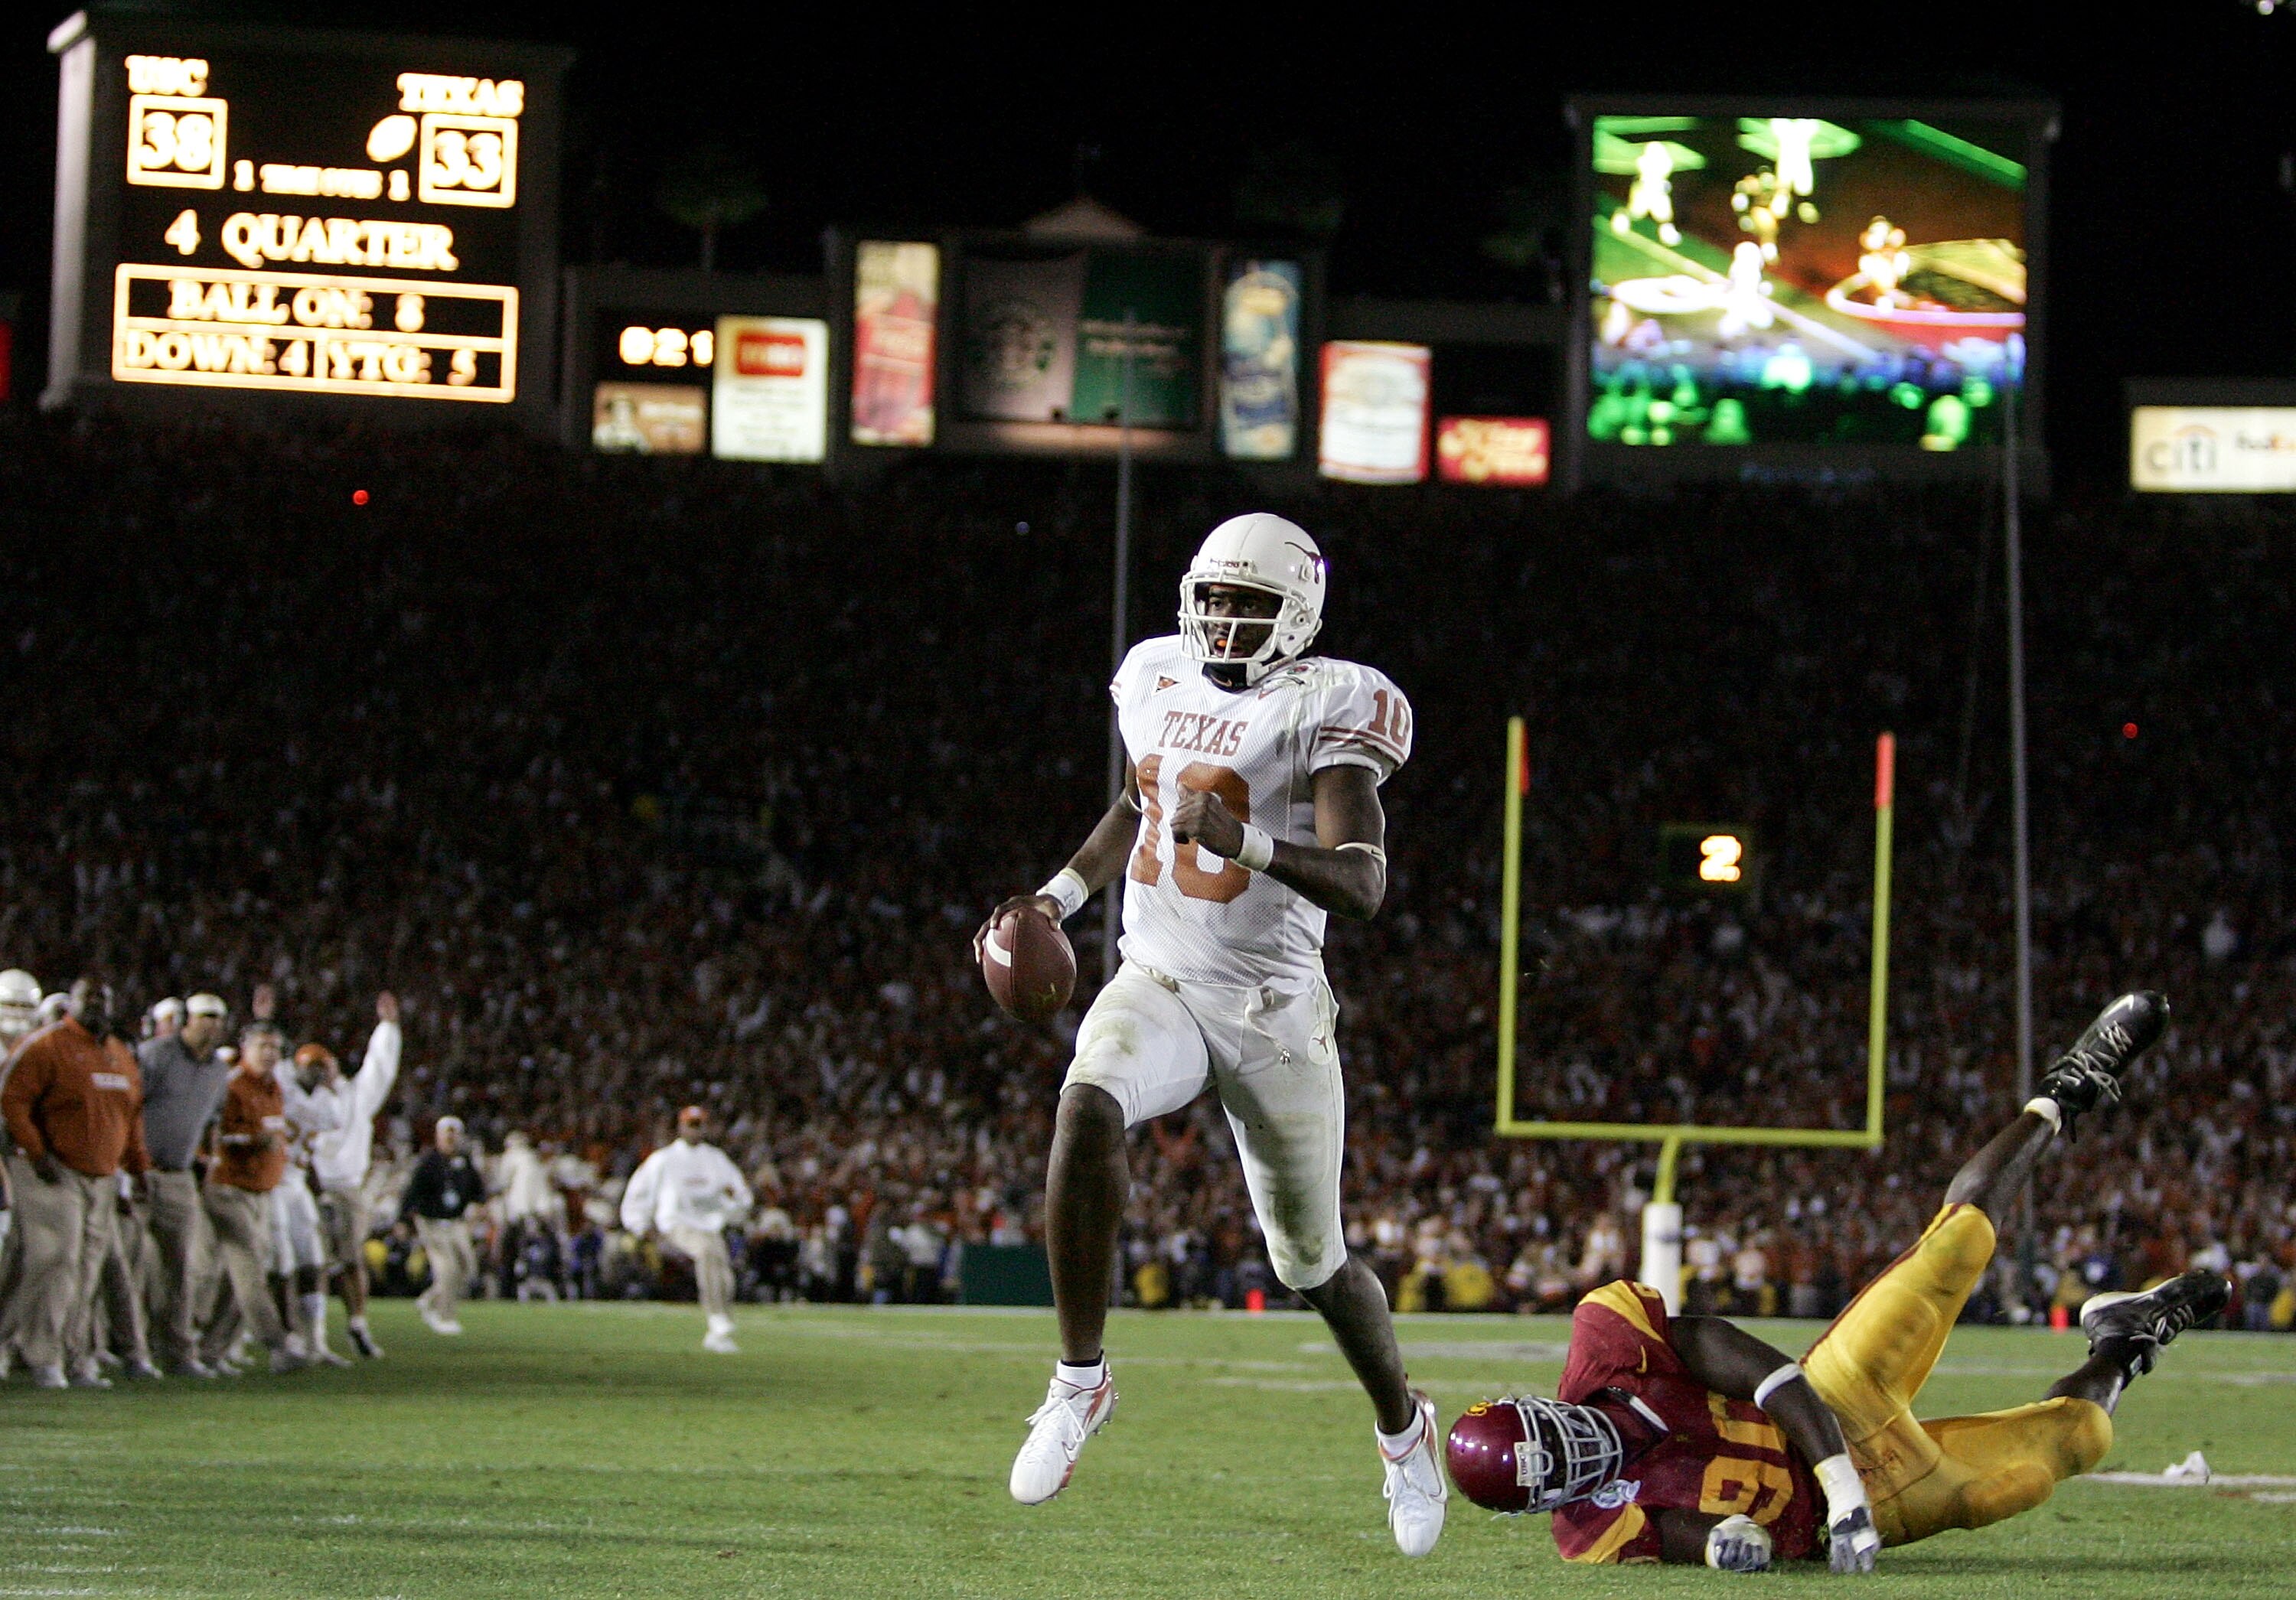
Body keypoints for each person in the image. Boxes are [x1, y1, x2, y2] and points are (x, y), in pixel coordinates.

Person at [980, 513, 1445, 1555]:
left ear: (1300, 614)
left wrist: (1248, 840)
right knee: (1087, 1101)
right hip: (1160, 975)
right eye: (1217, 598)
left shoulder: (1331, 703)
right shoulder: (1152, 673)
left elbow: (1364, 881)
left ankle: (1403, 1427)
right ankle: (1079, 1379)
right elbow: (1136, 804)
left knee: (1312, 1264)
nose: (1228, 620)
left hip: (1271, 1007)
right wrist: (1056, 896)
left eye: (1252, 603)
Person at [1446, 992, 2234, 1572]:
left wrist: (1836, 1475)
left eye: (1550, 1438)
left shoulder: (1609, 1347)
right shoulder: (1590, 1532)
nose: (1575, 1456)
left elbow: (1753, 1365)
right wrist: (1731, 1548)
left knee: (1950, 1250)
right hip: (1862, 1510)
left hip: (1831, 1402)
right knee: (2067, 1447)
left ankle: (2070, 1087)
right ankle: (2128, 1338)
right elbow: (1690, 1542)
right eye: (1554, 1475)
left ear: (1540, 1406)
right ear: (1542, 1504)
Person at [0, 978, 153, 1388]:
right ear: (72, 1002)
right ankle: (44, 1357)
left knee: (86, 1269)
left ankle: (73, 1356)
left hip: (101, 1175)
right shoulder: (46, 1044)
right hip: (52, 1169)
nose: (97, 1006)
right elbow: (11, 1100)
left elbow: (130, 1117)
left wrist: (139, 1169)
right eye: (89, 999)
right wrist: (37, 1153)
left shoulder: (120, 1054)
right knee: (60, 1259)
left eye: (104, 999)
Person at [198, 1022, 308, 1375]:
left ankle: (210, 1350)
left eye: (275, 1047)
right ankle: (277, 1343)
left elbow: (273, 1133)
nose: (270, 1053)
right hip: (230, 1189)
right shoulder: (231, 1085)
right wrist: (250, 1141)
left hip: (261, 1192)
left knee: (239, 1278)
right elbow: (209, 1136)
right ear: (244, 1047)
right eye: (263, 1045)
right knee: (249, 1269)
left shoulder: (273, 1087)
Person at [136, 992, 233, 1377]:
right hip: (140, 1171)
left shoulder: (217, 1070)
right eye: (204, 1016)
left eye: (217, 1018)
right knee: (131, 1264)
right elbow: (128, 1108)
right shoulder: (155, 1055)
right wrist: (131, 1161)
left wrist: (206, 1164)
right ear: (186, 1019)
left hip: (179, 1176)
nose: (211, 1025)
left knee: (181, 1268)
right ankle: (131, 1349)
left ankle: (177, 1351)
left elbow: (212, 1122)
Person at [309, 992, 401, 1358]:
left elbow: (379, 1067)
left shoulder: (356, 1096)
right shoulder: (300, 1100)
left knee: (351, 1261)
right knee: (310, 1263)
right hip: (310, 1188)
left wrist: (388, 1028)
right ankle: (312, 1333)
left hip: (347, 1187)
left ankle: (357, 1325)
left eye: (324, 1064)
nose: (322, 1071)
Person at [620, 1105, 752, 1352]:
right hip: (676, 1224)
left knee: (722, 1269)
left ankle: (720, 1328)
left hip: (709, 1226)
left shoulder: (716, 1159)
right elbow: (639, 1193)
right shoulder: (664, 1159)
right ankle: (717, 1319)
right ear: (681, 1127)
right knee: (706, 1252)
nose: (695, 1130)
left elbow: (741, 1194)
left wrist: (736, 1201)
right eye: (691, 1125)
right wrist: (640, 1226)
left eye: (699, 1124)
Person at [276, 1041, 350, 1364]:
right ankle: (284, 1341)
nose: (318, 1073)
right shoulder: (281, 1086)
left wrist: (321, 1194)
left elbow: (312, 1153)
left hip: (296, 1182)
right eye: (312, 1066)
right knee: (279, 1263)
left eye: (323, 1067)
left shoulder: (326, 1102)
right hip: (270, 1182)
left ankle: (315, 1341)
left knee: (313, 1261)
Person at [403, 1116, 485, 1334]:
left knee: (468, 1268)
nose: (450, 1138)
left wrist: (477, 1211)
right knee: (447, 1269)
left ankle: (429, 1300)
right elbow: (411, 1193)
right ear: (438, 1136)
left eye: (454, 1133)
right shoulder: (429, 1162)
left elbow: (479, 1192)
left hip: (456, 1222)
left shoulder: (465, 1162)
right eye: (446, 1133)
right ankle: (444, 1316)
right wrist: (403, 1220)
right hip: (431, 1222)